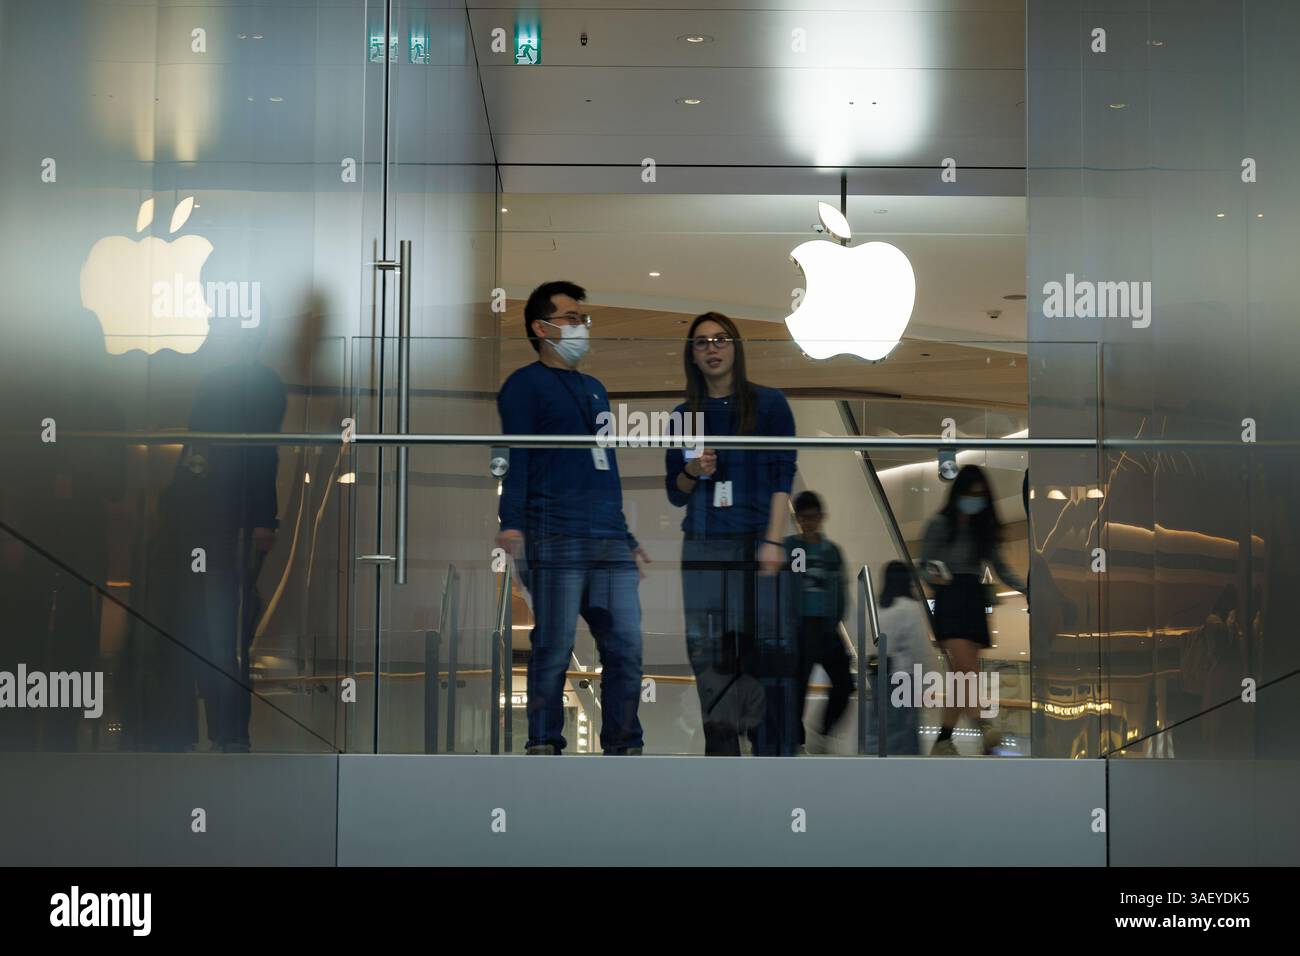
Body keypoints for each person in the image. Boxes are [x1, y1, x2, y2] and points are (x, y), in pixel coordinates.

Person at [496, 281, 648, 755]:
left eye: (583, 318)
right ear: (541, 328)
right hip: (554, 534)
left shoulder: (595, 389)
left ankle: (624, 747)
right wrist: (511, 522)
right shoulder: (523, 386)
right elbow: (515, 455)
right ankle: (545, 745)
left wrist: (626, 535)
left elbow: (606, 465)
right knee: (554, 646)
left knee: (626, 648)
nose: (581, 326)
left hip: (607, 540)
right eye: (569, 318)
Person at [665, 312, 798, 756]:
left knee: (762, 656)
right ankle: (722, 764)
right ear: (693, 355)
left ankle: (770, 761)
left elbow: (784, 476)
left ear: (736, 348)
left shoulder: (770, 404)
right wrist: (690, 468)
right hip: (703, 550)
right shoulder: (685, 417)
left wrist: (775, 540)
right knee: (710, 660)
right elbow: (676, 494)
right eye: (701, 343)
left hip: (757, 545)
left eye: (720, 340)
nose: (712, 348)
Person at [920, 464, 1025, 756]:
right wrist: (934, 576)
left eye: (980, 495)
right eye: (970, 494)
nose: (975, 500)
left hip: (973, 597)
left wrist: (1026, 587)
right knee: (966, 668)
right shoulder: (940, 524)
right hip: (949, 596)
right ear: (959, 493)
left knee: (959, 673)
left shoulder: (983, 531)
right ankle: (982, 723)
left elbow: (1000, 567)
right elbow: (924, 564)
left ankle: (943, 739)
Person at [784, 490, 853, 754]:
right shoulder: (790, 547)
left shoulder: (832, 552)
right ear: (798, 519)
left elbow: (842, 588)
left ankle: (822, 731)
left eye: (813, 517)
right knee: (797, 686)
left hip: (825, 627)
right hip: (799, 627)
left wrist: (835, 618)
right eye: (804, 518)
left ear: (822, 517)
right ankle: (797, 740)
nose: (809, 522)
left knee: (844, 683)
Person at [873, 561, 939, 755]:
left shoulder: (878, 608)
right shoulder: (910, 608)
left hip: (880, 677)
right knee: (906, 734)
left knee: (884, 731)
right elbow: (919, 647)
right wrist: (929, 682)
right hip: (904, 678)